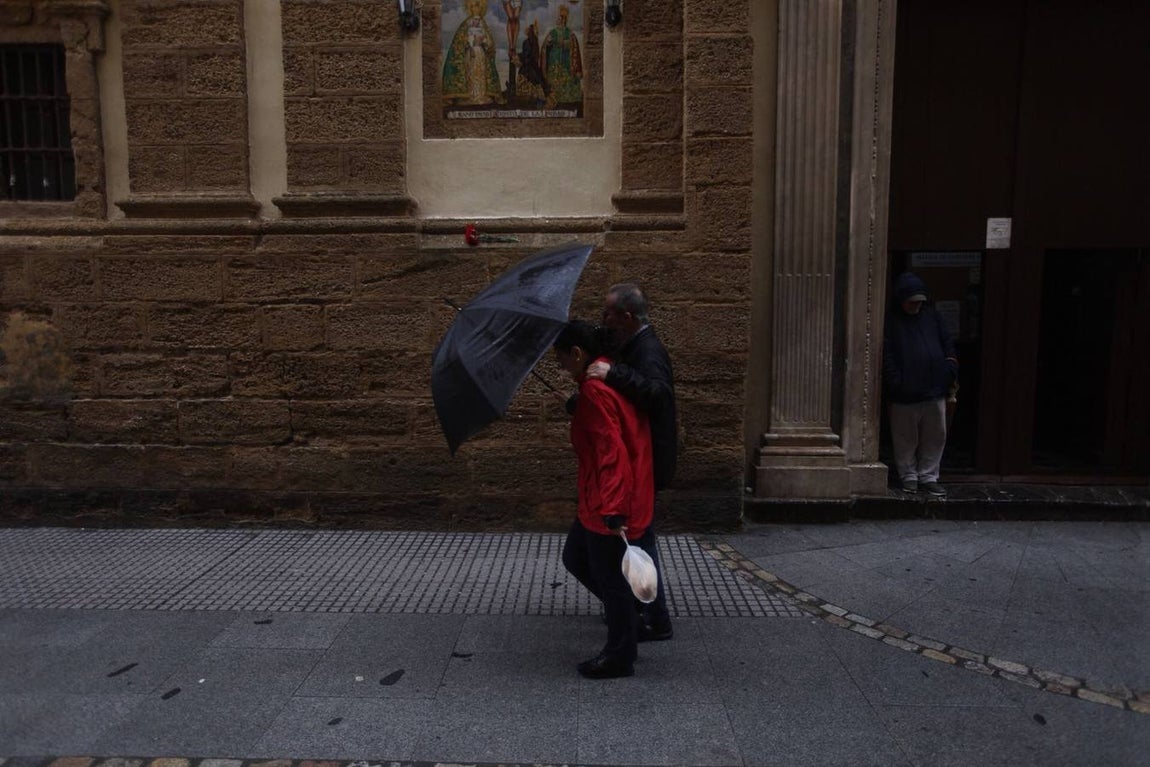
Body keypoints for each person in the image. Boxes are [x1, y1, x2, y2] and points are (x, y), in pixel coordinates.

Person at [555, 320, 654, 679]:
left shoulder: (596, 391)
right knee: (575, 556)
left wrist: (613, 511)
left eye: (561, 359)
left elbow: (612, 454)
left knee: (609, 578)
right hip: (600, 497)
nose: (560, 366)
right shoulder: (603, 382)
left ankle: (619, 654)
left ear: (577, 353)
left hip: (608, 502)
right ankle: (628, 620)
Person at [581, 283, 676, 643]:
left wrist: (614, 375)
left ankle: (653, 616)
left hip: (645, 461)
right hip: (642, 458)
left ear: (626, 316)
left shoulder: (647, 350)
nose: (603, 318)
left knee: (641, 539)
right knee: (640, 538)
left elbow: (658, 394)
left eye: (608, 312)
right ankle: (644, 611)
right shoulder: (632, 344)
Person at [882, 272, 959, 497]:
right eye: (912, 302)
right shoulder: (891, 321)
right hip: (905, 392)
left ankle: (928, 476)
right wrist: (897, 381)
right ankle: (909, 476)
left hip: (935, 388)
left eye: (919, 302)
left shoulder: (932, 316)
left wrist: (949, 367)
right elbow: (887, 352)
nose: (916, 305)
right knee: (905, 437)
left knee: (935, 435)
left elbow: (947, 343)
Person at [442, 0, 501, 106]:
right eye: (473, 6)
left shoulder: (483, 25)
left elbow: (489, 42)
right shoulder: (466, 24)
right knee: (471, 72)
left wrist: (484, 41)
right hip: (470, 52)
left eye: (478, 6)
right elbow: (459, 41)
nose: (476, 9)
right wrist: (470, 41)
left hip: (480, 53)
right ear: (470, 8)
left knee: (480, 72)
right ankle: (470, 96)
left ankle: (480, 96)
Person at [540, 4, 582, 107]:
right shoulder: (553, 32)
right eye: (557, 18)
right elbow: (546, 45)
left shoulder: (569, 33)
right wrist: (548, 43)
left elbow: (573, 45)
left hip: (566, 60)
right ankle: (553, 97)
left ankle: (567, 97)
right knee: (553, 78)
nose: (557, 20)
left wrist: (566, 43)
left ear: (563, 20)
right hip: (554, 59)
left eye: (559, 18)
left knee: (566, 78)